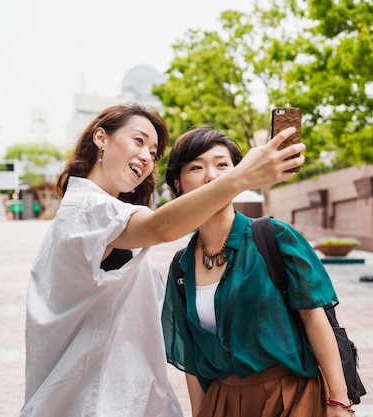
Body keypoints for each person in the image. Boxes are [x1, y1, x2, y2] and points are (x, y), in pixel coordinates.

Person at [20, 103, 305, 417]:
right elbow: (159, 227)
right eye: (139, 141)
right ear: (101, 138)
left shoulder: (99, 215)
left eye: (153, 153)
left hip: (119, 398)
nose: (146, 156)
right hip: (96, 401)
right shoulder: (86, 209)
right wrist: (240, 178)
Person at [162, 127, 354, 417]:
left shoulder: (273, 237)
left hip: (290, 397)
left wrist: (339, 401)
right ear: (178, 182)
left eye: (222, 165)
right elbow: (193, 357)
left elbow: (315, 317)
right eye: (196, 167)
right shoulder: (181, 266)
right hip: (223, 401)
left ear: (240, 174)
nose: (211, 176)